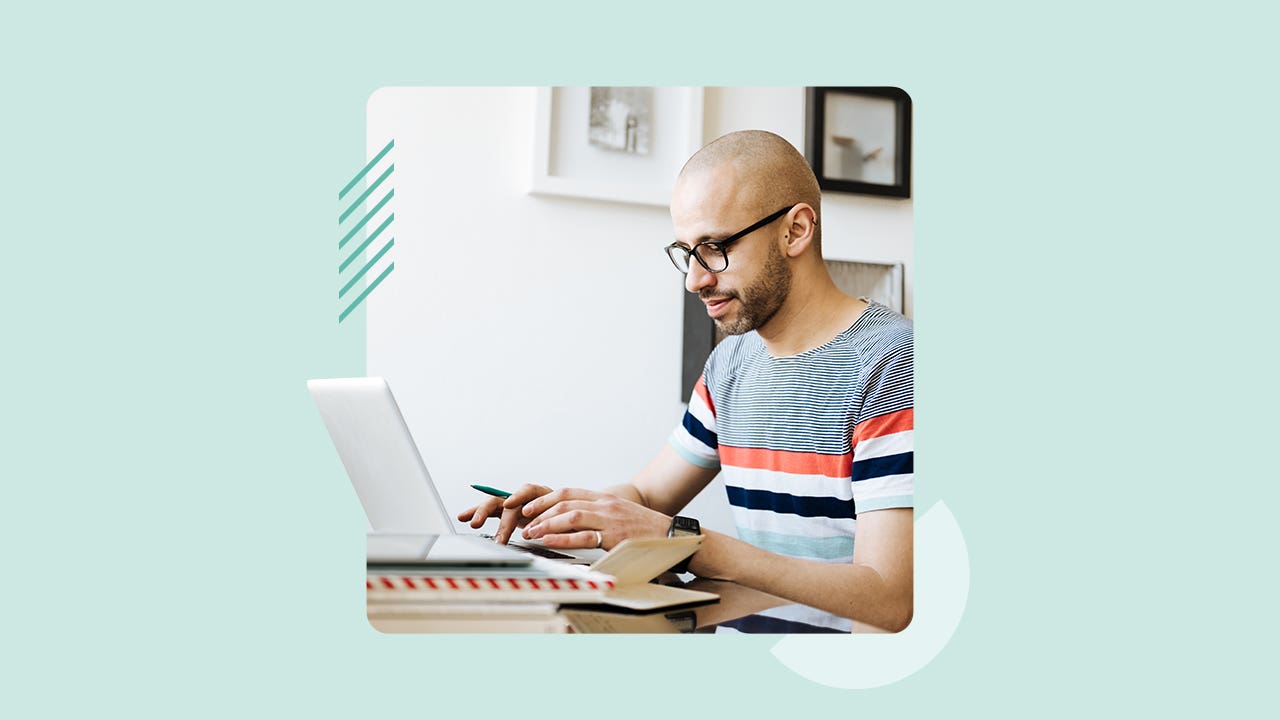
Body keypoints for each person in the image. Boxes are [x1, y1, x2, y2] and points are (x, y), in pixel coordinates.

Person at [458, 130, 913, 632]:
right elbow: (648, 498)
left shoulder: (894, 364)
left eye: (715, 247)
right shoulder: (730, 365)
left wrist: (686, 542)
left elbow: (889, 597)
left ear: (796, 230)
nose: (695, 279)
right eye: (687, 252)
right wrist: (562, 515)